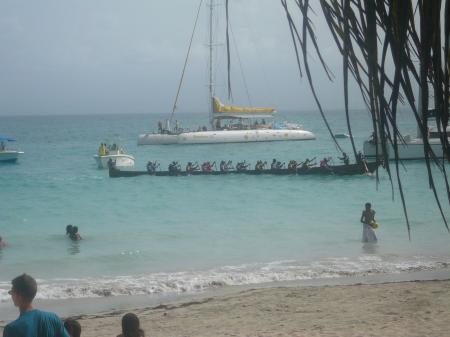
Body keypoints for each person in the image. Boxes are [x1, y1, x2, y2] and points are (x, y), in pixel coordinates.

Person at [3, 274, 70, 337]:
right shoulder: (54, 318)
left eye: (11, 292)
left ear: (18, 296)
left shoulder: (11, 329)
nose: (11, 295)